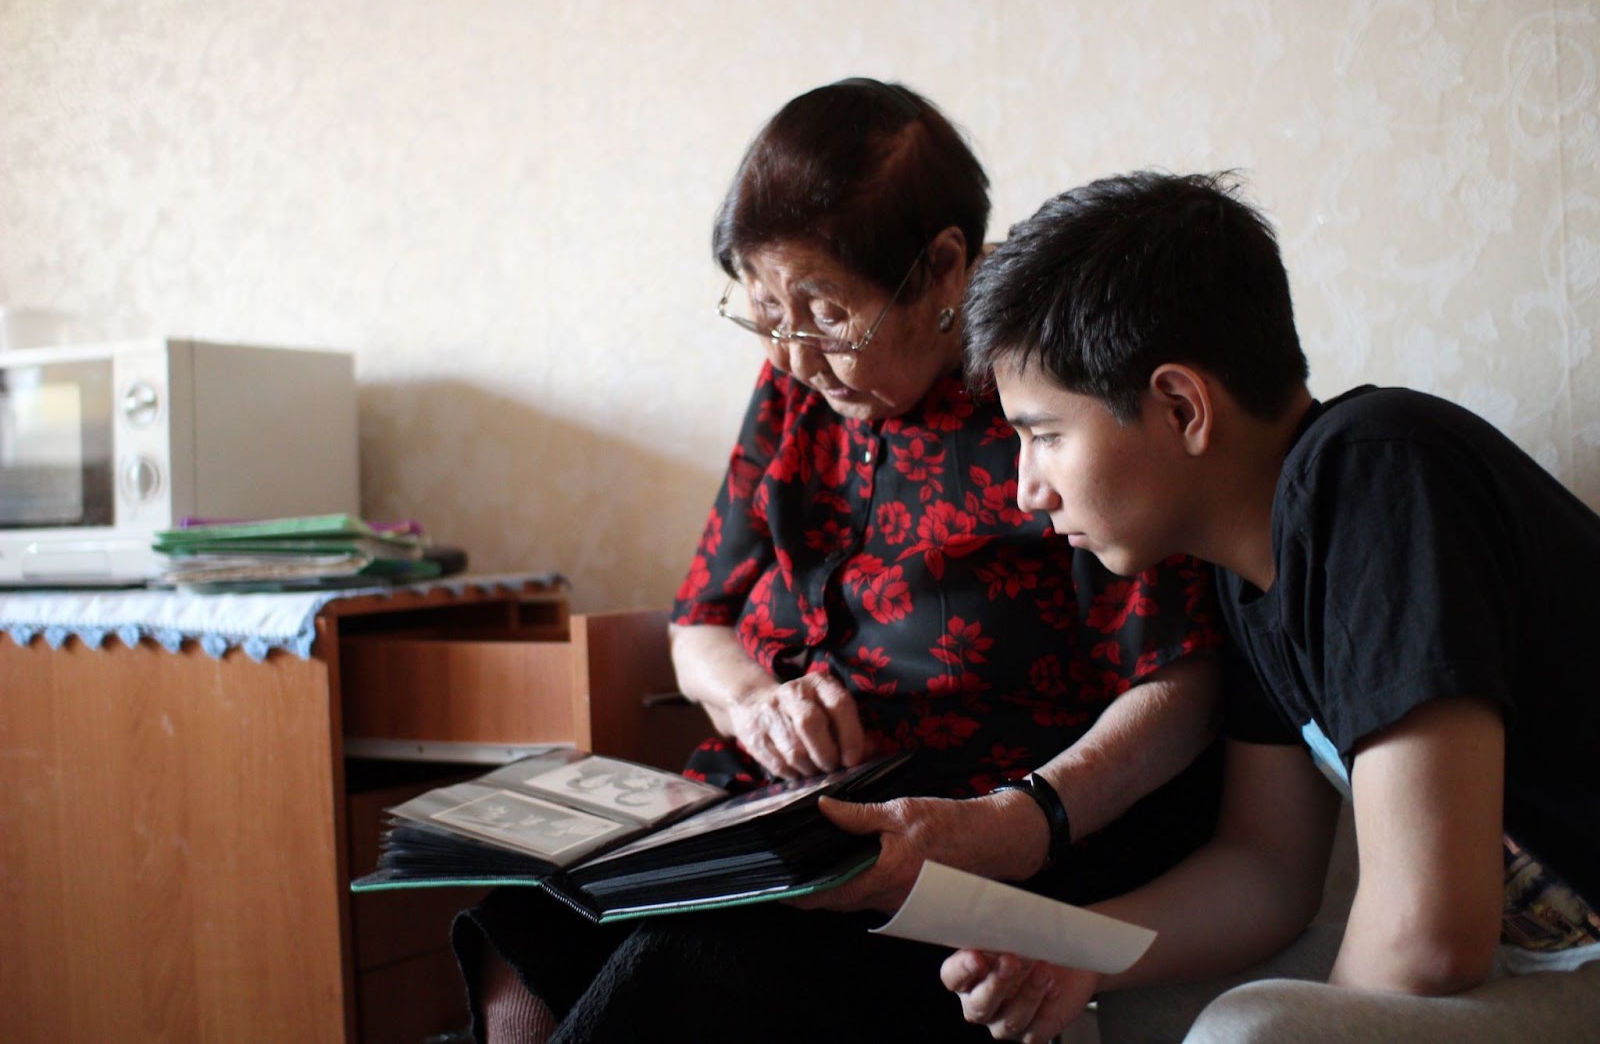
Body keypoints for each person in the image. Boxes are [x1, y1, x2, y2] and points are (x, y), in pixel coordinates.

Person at [452, 81, 1227, 1044]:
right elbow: (699, 623)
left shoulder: (1050, 381)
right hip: (763, 812)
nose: (794, 355)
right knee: (523, 911)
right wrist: (754, 704)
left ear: (945, 269)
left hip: (946, 849)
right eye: (766, 310)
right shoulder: (793, 386)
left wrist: (1024, 819)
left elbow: (1183, 676)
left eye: (824, 311)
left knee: (695, 964)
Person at [941, 170, 1600, 1043]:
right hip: (1539, 962)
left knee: (1254, 1031)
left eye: (1045, 436)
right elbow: (1267, 870)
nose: (1028, 490)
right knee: (1122, 1010)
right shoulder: (1247, 565)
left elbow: (1430, 935)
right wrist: (1075, 952)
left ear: (1180, 405)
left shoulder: (1378, 476)